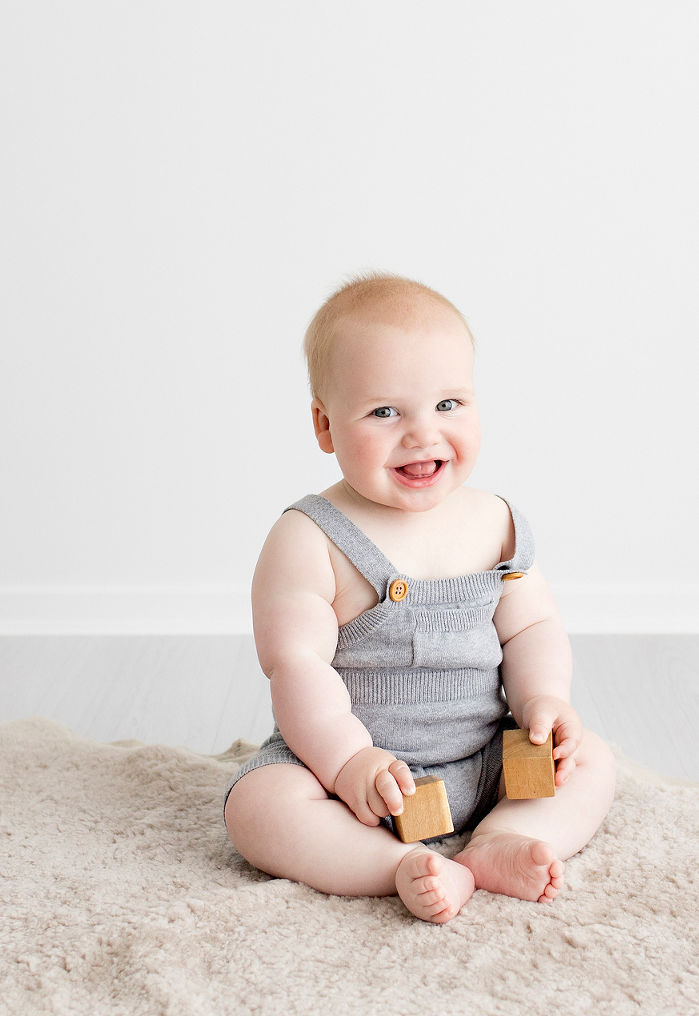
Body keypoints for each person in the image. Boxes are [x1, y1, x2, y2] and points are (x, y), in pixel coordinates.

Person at [222, 273, 616, 923]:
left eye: (449, 405)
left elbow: (532, 627)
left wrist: (544, 702)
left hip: (486, 761)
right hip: (354, 778)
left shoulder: (495, 522)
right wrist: (347, 761)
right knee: (258, 807)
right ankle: (394, 866)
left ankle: (498, 842)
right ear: (324, 424)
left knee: (592, 762)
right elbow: (297, 666)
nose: (422, 434)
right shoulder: (310, 538)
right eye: (385, 412)